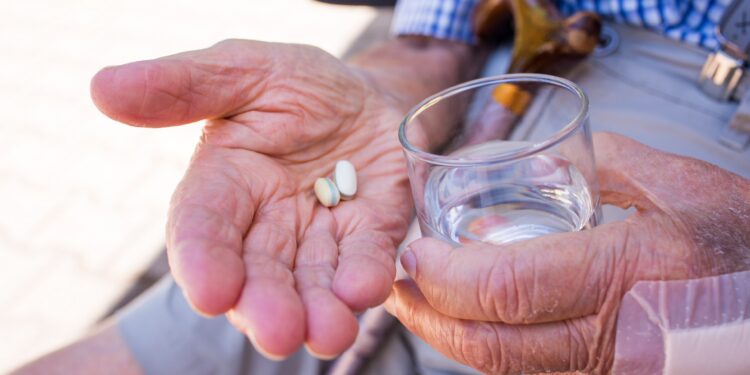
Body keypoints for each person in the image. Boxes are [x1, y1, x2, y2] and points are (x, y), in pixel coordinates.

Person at [13, 0, 750, 374]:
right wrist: (417, 55)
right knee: (164, 335)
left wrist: (735, 318)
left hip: (714, 117)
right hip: (528, 48)